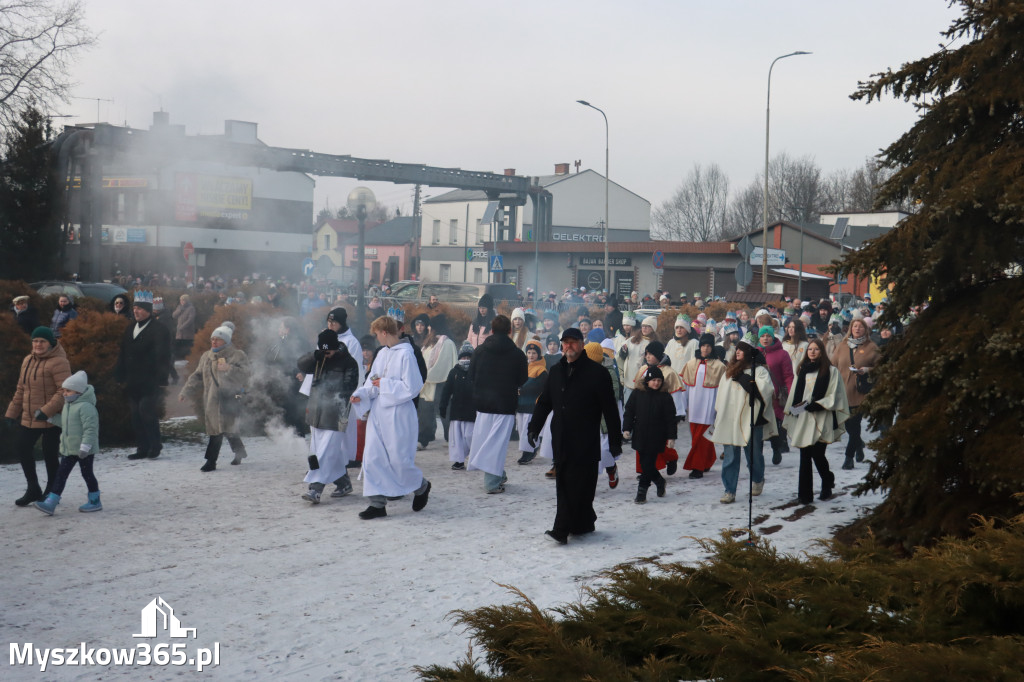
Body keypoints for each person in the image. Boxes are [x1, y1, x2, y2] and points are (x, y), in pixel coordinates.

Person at [528, 327, 622, 544]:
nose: (569, 346)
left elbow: (610, 410)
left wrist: (615, 442)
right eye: (566, 342)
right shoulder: (556, 371)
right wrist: (534, 427)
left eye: (573, 342)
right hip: (561, 437)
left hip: (586, 439)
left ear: (581, 344)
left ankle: (565, 527)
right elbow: (545, 402)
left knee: (581, 484)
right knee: (566, 483)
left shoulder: (597, 374)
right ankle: (579, 524)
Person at [349, 315, 432, 519]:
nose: (376, 338)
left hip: (399, 414)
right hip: (379, 413)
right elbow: (372, 381)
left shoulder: (406, 354)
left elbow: (412, 387)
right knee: (372, 458)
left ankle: (421, 486)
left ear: (384, 333)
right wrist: (361, 394)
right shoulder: (382, 354)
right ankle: (377, 504)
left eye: (377, 334)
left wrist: (385, 385)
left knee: (399, 460)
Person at [5, 326, 70, 505]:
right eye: (35, 341)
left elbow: (64, 390)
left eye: (42, 341)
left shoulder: (59, 362)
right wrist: (12, 413)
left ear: (50, 343)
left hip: (51, 417)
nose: (38, 344)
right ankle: (33, 488)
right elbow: (21, 389)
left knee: (50, 454)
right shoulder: (27, 360)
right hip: (29, 416)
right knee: (22, 447)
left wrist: (46, 411)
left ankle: (52, 490)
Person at [783, 338, 850, 504]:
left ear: (821, 351)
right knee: (805, 454)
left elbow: (835, 394)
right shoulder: (803, 370)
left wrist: (818, 405)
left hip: (822, 415)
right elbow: (795, 393)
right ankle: (805, 495)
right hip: (805, 416)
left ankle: (827, 481)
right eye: (810, 349)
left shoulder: (830, 371)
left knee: (818, 454)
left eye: (816, 349)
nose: (812, 352)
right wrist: (794, 409)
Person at [709, 341, 777, 504]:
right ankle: (729, 490)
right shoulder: (729, 371)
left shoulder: (759, 371)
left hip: (751, 418)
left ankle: (758, 478)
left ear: (749, 352)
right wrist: (720, 414)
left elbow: (764, 391)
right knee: (731, 457)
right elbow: (722, 395)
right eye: (737, 349)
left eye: (742, 349)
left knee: (753, 455)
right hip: (730, 419)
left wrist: (744, 378)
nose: (737, 352)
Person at [297, 329, 360, 503]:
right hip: (317, 411)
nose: (327, 354)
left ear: (336, 347)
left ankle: (315, 489)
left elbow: (349, 388)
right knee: (328, 452)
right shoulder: (319, 358)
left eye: (329, 351)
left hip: (337, 414)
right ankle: (344, 483)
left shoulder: (349, 362)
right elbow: (301, 364)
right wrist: (314, 356)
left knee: (324, 453)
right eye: (323, 350)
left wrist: (328, 389)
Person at [467, 315, 528, 493]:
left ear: (491, 331)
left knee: (487, 441)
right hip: (505, 403)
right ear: (510, 331)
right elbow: (522, 379)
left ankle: (498, 474)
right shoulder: (517, 354)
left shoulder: (479, 351)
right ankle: (492, 482)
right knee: (497, 444)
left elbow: (471, 376)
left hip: (483, 403)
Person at [179, 326, 251, 471]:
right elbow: (197, 376)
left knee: (223, 430)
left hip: (230, 399)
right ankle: (240, 452)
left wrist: (229, 369)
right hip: (212, 401)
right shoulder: (207, 356)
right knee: (220, 430)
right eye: (212, 338)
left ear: (226, 340)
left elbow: (246, 374)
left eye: (218, 339)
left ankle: (211, 462)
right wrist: (185, 391)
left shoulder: (237, 355)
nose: (214, 341)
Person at [34, 371, 102, 515]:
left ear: (78, 391)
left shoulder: (86, 407)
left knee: (87, 474)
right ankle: (51, 502)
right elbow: (64, 423)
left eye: (68, 390)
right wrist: (49, 418)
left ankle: (95, 500)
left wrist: (85, 446)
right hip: (69, 449)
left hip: (85, 450)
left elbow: (90, 429)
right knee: (61, 474)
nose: (64, 393)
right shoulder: (68, 406)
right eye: (64, 390)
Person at [116, 293, 172, 460]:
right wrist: (119, 374)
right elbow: (123, 352)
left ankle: (155, 445)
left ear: (148, 310)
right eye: (134, 308)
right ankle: (142, 448)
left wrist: (162, 379)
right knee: (135, 415)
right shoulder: (130, 327)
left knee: (146, 411)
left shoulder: (159, 329)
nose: (136, 311)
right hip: (133, 380)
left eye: (139, 308)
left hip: (150, 380)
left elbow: (164, 355)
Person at [621, 366, 677, 504]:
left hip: (657, 436)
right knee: (644, 463)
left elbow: (671, 418)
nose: (656, 383)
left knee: (648, 463)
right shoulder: (637, 393)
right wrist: (626, 428)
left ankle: (642, 492)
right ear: (647, 381)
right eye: (653, 380)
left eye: (659, 380)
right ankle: (659, 481)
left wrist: (671, 437)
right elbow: (629, 411)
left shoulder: (665, 397)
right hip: (640, 434)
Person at [830, 317, 880, 470]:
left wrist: (867, 370)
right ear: (850, 329)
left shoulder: (872, 347)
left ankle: (848, 457)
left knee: (855, 424)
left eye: (861, 327)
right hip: (842, 393)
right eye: (855, 326)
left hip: (860, 393)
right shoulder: (842, 346)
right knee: (850, 427)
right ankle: (858, 445)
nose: (857, 329)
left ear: (866, 330)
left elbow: (882, 367)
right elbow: (833, 365)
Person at [679, 333, 727, 479]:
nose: (705, 349)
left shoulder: (720, 367)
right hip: (693, 406)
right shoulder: (691, 364)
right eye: (703, 345)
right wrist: (683, 406)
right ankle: (708, 459)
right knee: (698, 436)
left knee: (702, 436)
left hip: (709, 406)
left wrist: (719, 408)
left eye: (708, 346)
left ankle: (697, 467)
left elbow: (722, 389)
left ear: (712, 348)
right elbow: (685, 386)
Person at [326, 307, 364, 475]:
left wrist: (350, 389)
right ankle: (334, 456)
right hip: (327, 388)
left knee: (345, 425)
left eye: (334, 322)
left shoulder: (351, 342)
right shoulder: (326, 338)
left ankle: (348, 457)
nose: (330, 325)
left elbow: (354, 367)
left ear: (341, 323)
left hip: (344, 389)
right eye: (329, 322)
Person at [264, 316, 309, 437]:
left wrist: (300, 372)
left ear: (288, 329)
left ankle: (298, 441)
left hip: (294, 383)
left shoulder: (299, 343)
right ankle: (288, 441)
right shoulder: (280, 341)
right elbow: (272, 358)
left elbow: (302, 360)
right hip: (282, 381)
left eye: (281, 327)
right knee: (284, 412)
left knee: (294, 412)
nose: (279, 329)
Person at [418, 315, 457, 448]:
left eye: (430, 326)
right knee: (425, 413)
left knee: (444, 413)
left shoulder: (447, 343)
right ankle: (423, 439)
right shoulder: (429, 342)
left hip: (441, 384)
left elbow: (442, 365)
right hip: (427, 384)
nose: (428, 328)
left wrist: (424, 375)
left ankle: (450, 438)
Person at [759, 324, 794, 466]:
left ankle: (776, 449)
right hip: (759, 396)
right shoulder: (755, 352)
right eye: (762, 336)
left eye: (768, 335)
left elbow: (788, 376)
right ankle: (757, 455)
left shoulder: (782, 354)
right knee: (759, 426)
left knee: (774, 427)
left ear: (773, 337)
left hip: (775, 397)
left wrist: (790, 394)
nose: (765, 338)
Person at [439, 344, 476, 471]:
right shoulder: (454, 372)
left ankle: (475, 458)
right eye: (464, 356)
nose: (466, 359)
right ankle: (458, 460)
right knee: (457, 438)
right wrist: (442, 406)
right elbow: (446, 391)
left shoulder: (476, 372)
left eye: (469, 357)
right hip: (457, 411)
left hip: (472, 412)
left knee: (470, 436)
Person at [515, 339, 548, 465]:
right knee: (521, 429)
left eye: (534, 352)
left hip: (532, 404)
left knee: (527, 429)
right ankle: (531, 448)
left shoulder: (541, 370)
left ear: (539, 354)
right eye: (529, 352)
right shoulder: (524, 367)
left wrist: (523, 388)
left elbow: (539, 386)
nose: (531, 355)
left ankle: (528, 452)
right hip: (521, 404)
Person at [172, 294, 197, 360]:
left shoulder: (191, 308)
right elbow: (174, 315)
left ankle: (185, 359)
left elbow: (190, 319)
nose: (182, 302)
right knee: (179, 345)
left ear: (187, 301)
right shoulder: (179, 307)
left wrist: (182, 327)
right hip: (179, 332)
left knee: (186, 346)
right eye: (181, 300)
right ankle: (178, 358)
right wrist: (179, 310)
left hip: (187, 331)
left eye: (183, 300)